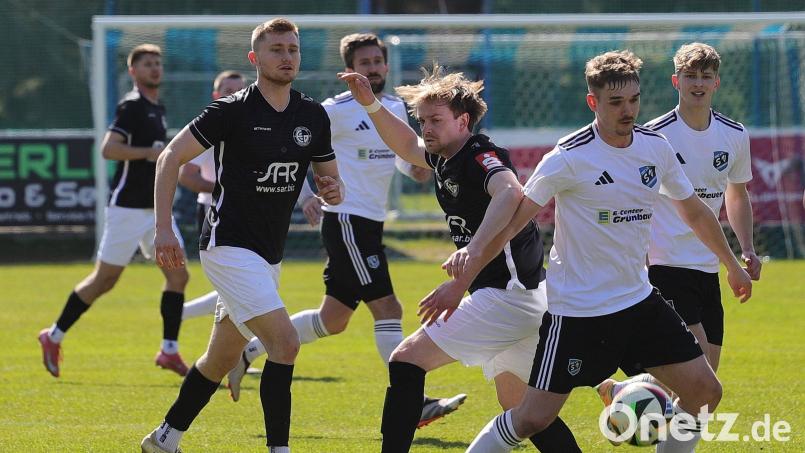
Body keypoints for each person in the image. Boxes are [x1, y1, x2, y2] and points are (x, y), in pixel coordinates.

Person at [416, 51, 752, 452]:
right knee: (531, 417)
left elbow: (696, 212)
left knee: (704, 392)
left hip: (638, 301)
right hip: (578, 312)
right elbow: (513, 221)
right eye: (616, 102)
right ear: (593, 102)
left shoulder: (655, 148)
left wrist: (732, 263)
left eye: (633, 100)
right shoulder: (568, 156)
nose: (628, 111)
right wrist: (463, 280)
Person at [227, 32, 467, 428]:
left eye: (377, 61)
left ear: (386, 66)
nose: (372, 68)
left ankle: (248, 351)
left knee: (333, 319)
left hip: (369, 223)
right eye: (364, 63)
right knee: (388, 309)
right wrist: (307, 194)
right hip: (347, 221)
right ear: (349, 69)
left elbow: (408, 162)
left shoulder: (394, 109)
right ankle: (416, 401)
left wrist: (422, 166)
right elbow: (293, 152)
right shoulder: (332, 111)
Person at [339, 66, 580, 452]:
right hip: (526, 296)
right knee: (524, 410)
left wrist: (471, 251)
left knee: (405, 361)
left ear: (463, 120)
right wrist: (370, 104)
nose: (426, 129)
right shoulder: (445, 157)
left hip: (508, 296)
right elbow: (405, 146)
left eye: (435, 120)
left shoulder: (478, 154)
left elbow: (510, 192)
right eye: (422, 121)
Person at [139, 18, 343, 453]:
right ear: (255, 58)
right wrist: (163, 229)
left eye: (292, 49)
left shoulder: (312, 115)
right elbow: (169, 158)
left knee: (221, 358)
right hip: (227, 245)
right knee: (285, 343)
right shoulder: (231, 110)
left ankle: (163, 439)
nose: (286, 57)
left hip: (268, 254)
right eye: (276, 49)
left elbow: (330, 178)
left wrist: (332, 188)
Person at [597, 43, 761, 405]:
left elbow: (736, 195)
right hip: (664, 264)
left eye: (705, 76)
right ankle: (632, 395)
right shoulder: (654, 136)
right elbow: (631, 201)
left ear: (717, 83)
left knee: (703, 390)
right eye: (690, 76)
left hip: (706, 268)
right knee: (694, 368)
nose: (697, 83)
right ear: (676, 81)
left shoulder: (734, 135)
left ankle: (628, 391)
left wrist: (745, 248)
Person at [38, 44, 191, 378]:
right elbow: (109, 149)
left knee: (178, 275)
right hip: (127, 209)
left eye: (158, 63)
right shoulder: (132, 106)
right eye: (147, 64)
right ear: (133, 72)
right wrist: (146, 153)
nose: (155, 68)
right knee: (105, 280)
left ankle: (169, 351)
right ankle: (53, 335)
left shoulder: (157, 107)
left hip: (155, 211)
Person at [178, 70, 247, 320]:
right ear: (216, 95)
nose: (236, 96)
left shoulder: (251, 127)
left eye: (240, 90)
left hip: (246, 214)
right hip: (214, 214)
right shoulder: (210, 130)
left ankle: (179, 315)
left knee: (244, 288)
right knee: (241, 288)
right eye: (229, 91)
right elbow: (186, 175)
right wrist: (224, 188)